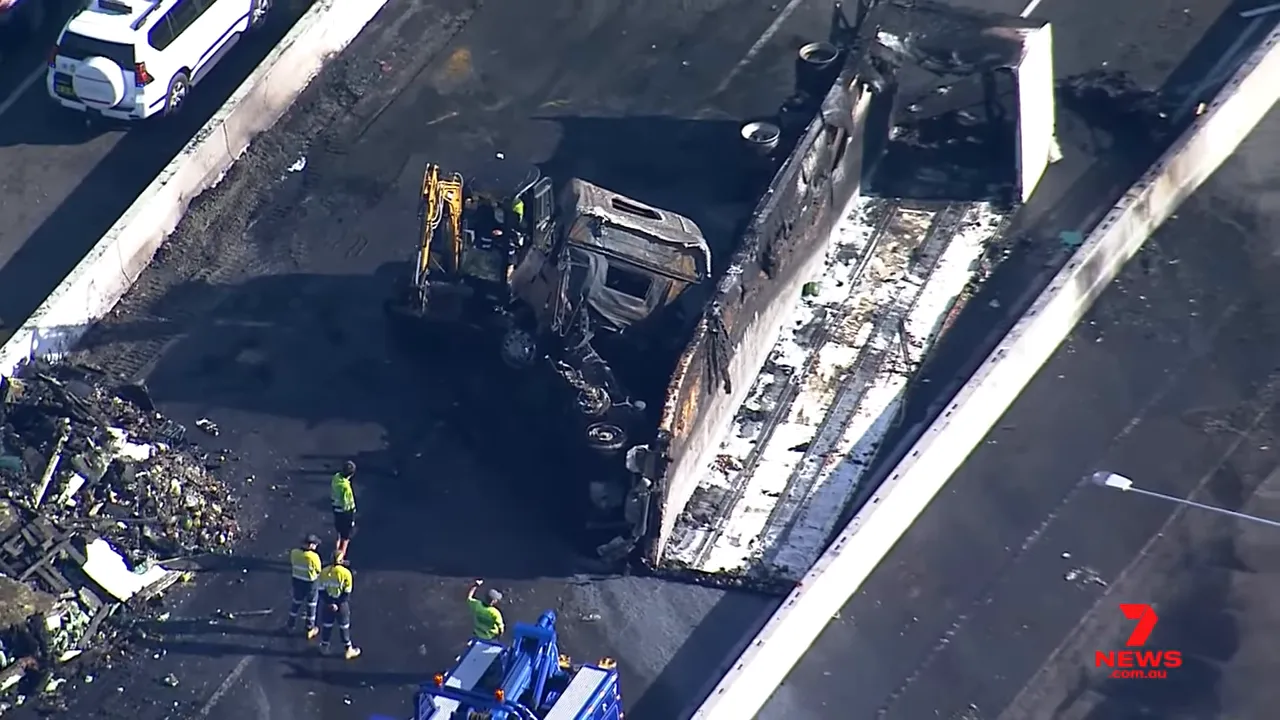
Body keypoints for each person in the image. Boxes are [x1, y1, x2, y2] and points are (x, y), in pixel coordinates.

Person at [318, 553, 361, 659]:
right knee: (344, 626)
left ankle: (324, 646)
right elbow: (346, 593)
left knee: (327, 625)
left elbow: (321, 590)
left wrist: (330, 603)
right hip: (341, 605)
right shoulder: (346, 573)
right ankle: (348, 649)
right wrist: (337, 604)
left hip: (328, 604)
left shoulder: (324, 572)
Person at [286, 534, 323, 639]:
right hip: (310, 583)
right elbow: (318, 570)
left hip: (297, 580)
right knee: (311, 605)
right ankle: (309, 628)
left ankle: (290, 625)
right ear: (311, 545)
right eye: (315, 544)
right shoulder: (314, 557)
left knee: (296, 602)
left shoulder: (294, 552)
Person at [330, 461, 357, 560]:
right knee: (345, 537)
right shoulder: (346, 487)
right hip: (345, 513)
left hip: (336, 509)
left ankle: (334, 555)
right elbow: (347, 504)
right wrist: (352, 515)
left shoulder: (336, 478)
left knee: (338, 533)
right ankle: (340, 558)